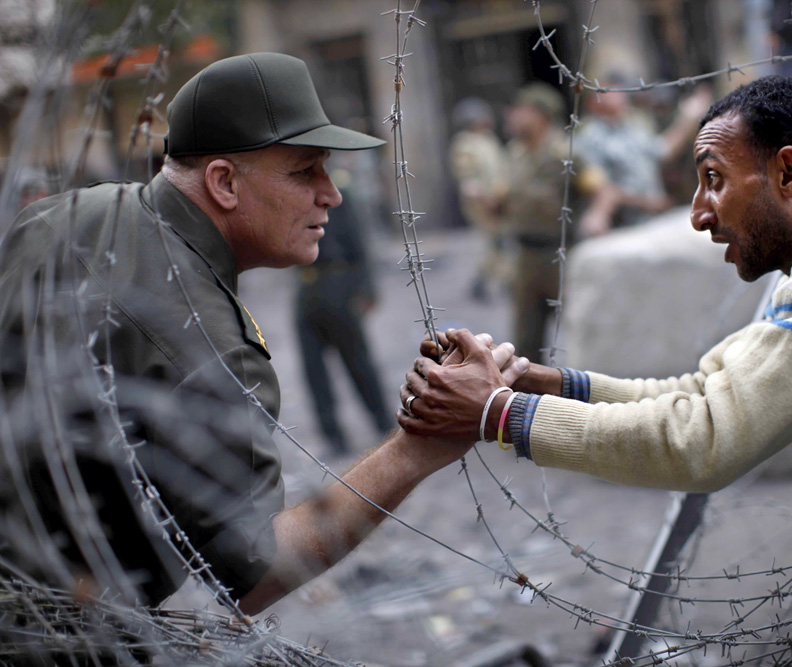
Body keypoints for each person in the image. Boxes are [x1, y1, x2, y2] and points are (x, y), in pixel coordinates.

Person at [0, 53, 504, 615]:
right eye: (304, 171)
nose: (330, 194)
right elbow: (254, 574)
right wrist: (418, 447)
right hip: (50, 630)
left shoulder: (63, 216)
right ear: (223, 183)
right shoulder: (210, 343)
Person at [397, 75, 792, 492]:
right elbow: (708, 388)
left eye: (714, 178)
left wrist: (499, 413)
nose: (699, 213)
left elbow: (704, 439)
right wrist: (544, 385)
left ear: (789, 173)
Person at [295, 177, 394, 455]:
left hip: (338, 285)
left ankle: (383, 424)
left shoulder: (338, 191)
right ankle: (333, 436)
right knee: (313, 369)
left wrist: (366, 288)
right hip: (305, 288)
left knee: (358, 362)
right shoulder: (291, 193)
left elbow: (359, 243)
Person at [576, 77, 711, 236]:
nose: (621, 96)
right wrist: (648, 203)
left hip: (649, 222)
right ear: (593, 101)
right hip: (619, 227)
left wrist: (688, 118)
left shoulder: (630, 129)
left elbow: (663, 152)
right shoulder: (591, 137)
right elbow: (601, 189)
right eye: (611, 92)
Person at [502, 83, 569, 364]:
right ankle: (529, 401)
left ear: (540, 115)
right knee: (526, 339)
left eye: (521, 110)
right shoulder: (516, 152)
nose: (514, 116)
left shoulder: (564, 151)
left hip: (560, 254)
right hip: (526, 255)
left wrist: (596, 216)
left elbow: (597, 187)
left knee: (578, 328)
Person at [448, 97, 509, 302]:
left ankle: (493, 281)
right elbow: (469, 181)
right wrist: (485, 199)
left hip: (498, 200)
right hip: (482, 204)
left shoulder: (488, 139)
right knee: (494, 243)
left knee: (500, 243)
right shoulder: (465, 144)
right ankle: (490, 282)